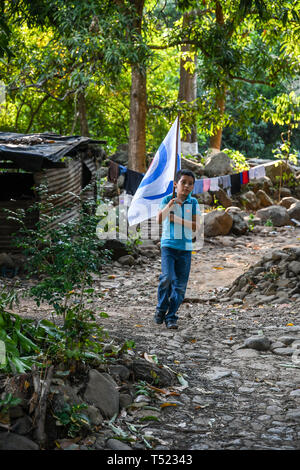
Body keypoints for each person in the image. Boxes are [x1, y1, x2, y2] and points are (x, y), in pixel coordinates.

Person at [154, 169, 201, 329]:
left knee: (180, 287)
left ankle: (171, 316)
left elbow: (196, 226)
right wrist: (170, 205)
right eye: (183, 182)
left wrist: (177, 219)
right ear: (176, 184)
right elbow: (159, 219)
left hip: (186, 249)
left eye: (190, 184)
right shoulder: (168, 200)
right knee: (167, 278)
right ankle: (161, 308)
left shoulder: (193, 203)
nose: (187, 186)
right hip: (168, 246)